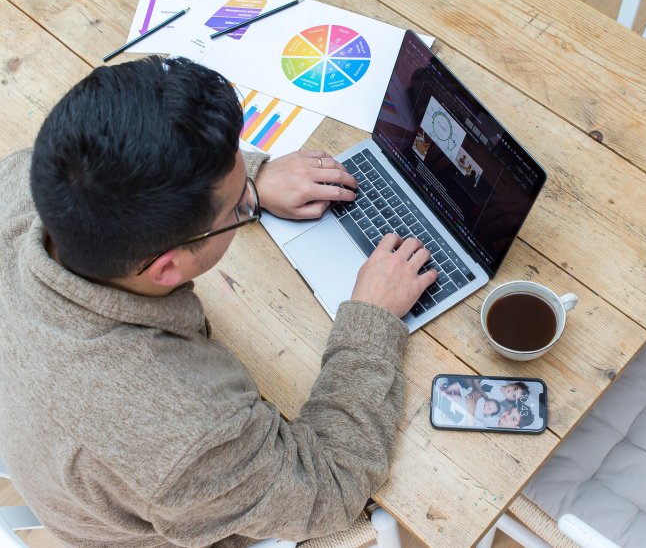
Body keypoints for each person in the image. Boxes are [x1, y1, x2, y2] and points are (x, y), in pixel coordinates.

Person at [0, 56, 438, 547]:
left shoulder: (22, 180)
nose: (246, 200)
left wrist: (252, 178)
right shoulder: (186, 434)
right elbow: (329, 491)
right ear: (168, 267)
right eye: (238, 209)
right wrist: (371, 321)